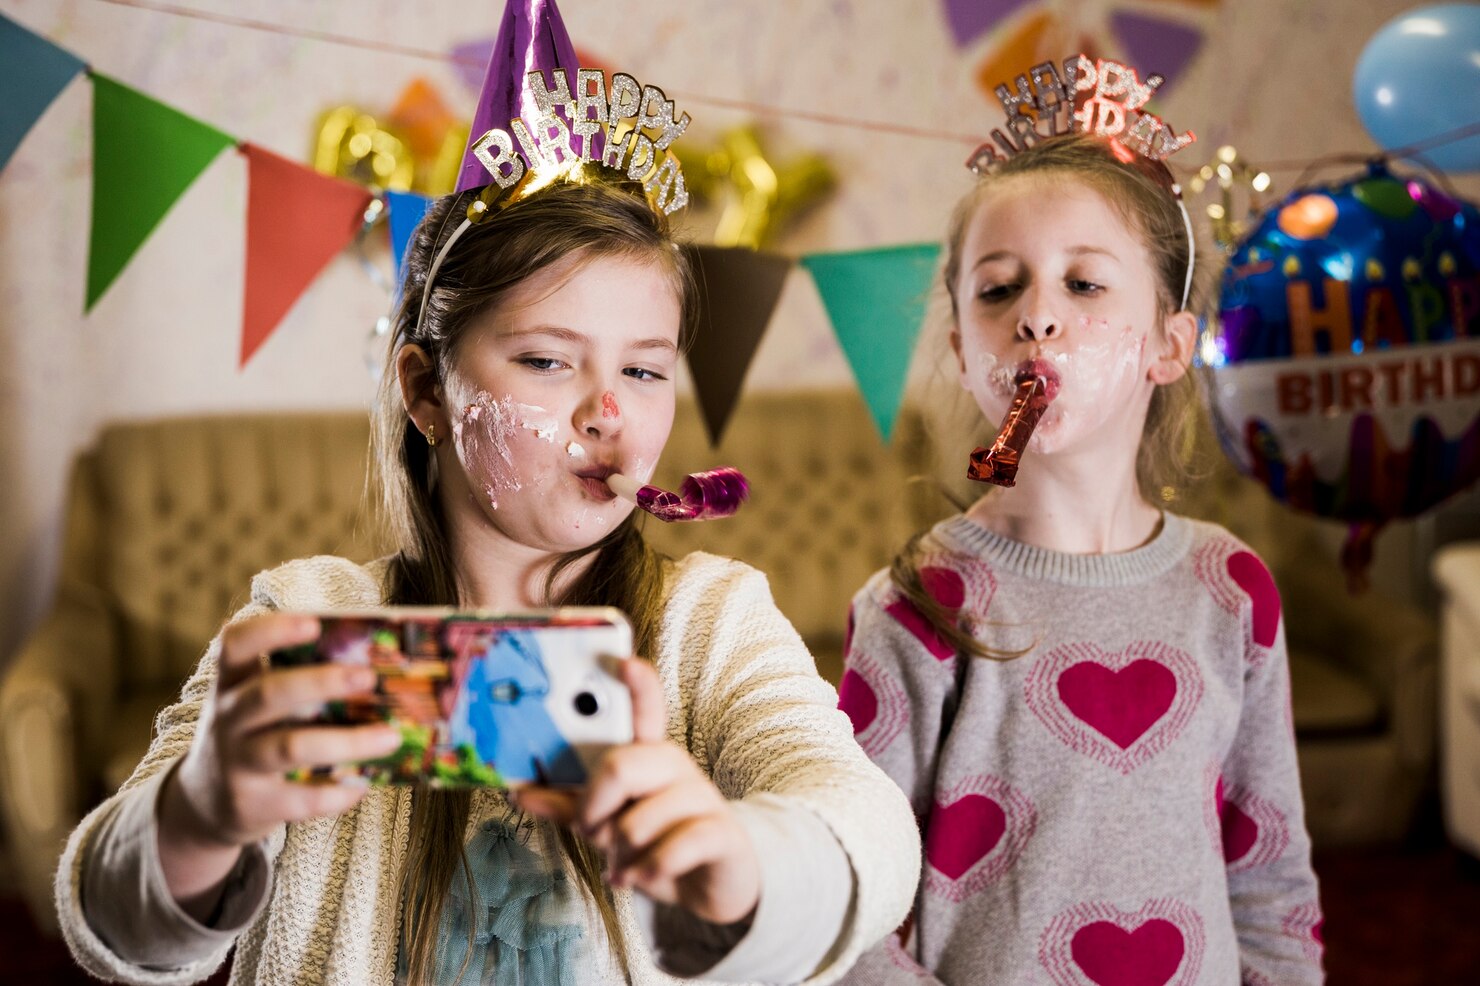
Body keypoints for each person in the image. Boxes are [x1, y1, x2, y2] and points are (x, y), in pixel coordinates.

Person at [55, 166, 920, 986]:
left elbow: (871, 830)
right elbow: (111, 926)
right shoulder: (306, 614)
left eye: (645, 370)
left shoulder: (712, 621)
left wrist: (742, 862)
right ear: (427, 392)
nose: (607, 411)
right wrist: (201, 815)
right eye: (547, 360)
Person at [836, 129, 1324, 985]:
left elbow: (1271, 876)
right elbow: (851, 904)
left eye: (1084, 282)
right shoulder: (916, 603)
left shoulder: (1232, 590)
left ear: (1167, 347)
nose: (1035, 315)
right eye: (997, 290)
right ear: (963, 349)